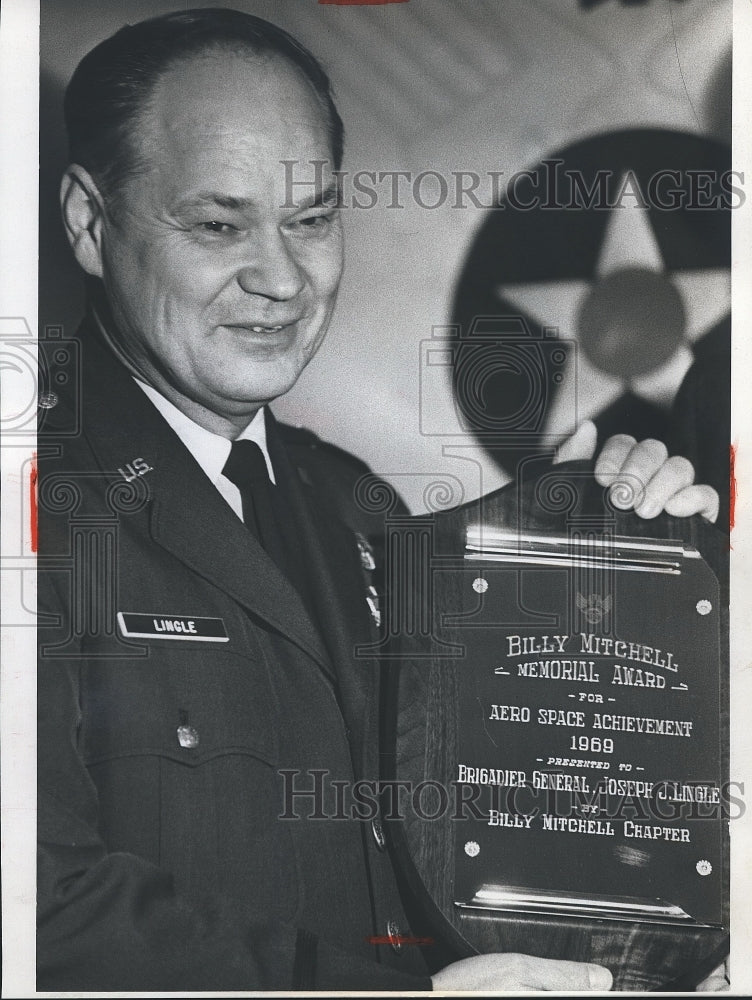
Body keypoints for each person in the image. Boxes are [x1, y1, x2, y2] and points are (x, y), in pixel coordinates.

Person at [37, 8, 720, 992]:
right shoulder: (38, 507)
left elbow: (500, 818)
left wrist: (608, 542)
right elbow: (40, 912)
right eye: (218, 224)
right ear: (89, 224)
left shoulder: (354, 504)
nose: (279, 278)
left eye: (311, 219)